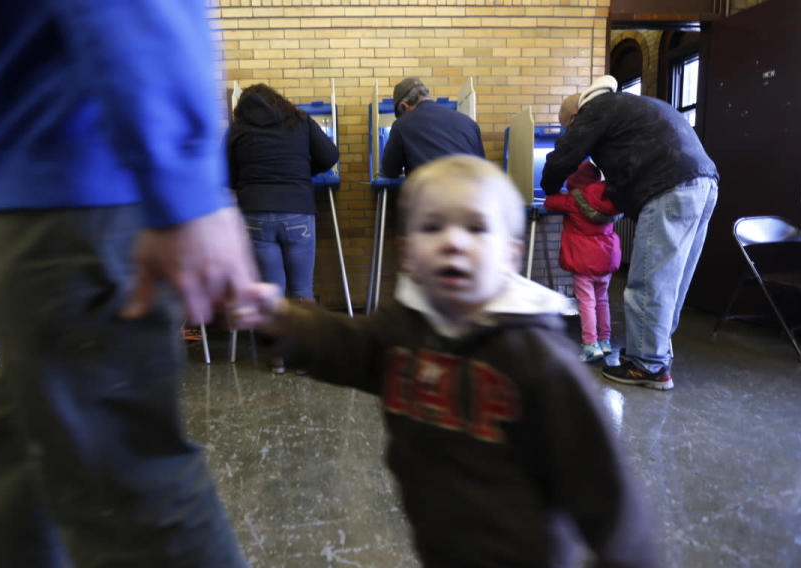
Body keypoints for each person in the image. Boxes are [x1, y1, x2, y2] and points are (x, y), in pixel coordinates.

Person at [0, 2, 254, 566]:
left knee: (23, 473)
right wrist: (185, 189)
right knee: (140, 491)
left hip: (30, 205)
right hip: (96, 197)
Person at [231, 155, 661, 568]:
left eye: (476, 228)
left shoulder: (537, 358)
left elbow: (604, 487)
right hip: (440, 547)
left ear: (511, 255)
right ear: (406, 252)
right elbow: (344, 344)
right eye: (432, 227)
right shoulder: (403, 329)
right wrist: (278, 318)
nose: (453, 242)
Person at [541, 75, 719, 391]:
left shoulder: (596, 108)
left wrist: (550, 188)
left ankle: (646, 366)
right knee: (672, 279)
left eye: (569, 127)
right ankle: (658, 353)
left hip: (668, 186)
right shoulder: (632, 104)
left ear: (573, 118)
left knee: (648, 281)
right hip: (704, 182)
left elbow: (563, 157)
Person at [227, 83, 339, 373]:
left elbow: (227, 174)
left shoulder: (238, 130)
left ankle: (278, 358)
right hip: (298, 211)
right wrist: (303, 172)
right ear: (278, 101)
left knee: (271, 292)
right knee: (303, 290)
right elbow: (329, 156)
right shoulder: (299, 120)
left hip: (255, 215)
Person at [543, 160, 622, 363]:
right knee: (602, 299)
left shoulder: (573, 200)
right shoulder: (611, 198)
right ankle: (605, 340)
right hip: (606, 258)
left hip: (584, 260)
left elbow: (549, 203)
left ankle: (590, 344)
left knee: (586, 302)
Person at [380, 77, 485, 178]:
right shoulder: (469, 122)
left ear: (404, 106)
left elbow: (389, 171)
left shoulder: (401, 125)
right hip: (472, 193)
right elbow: (482, 169)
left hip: (431, 193)